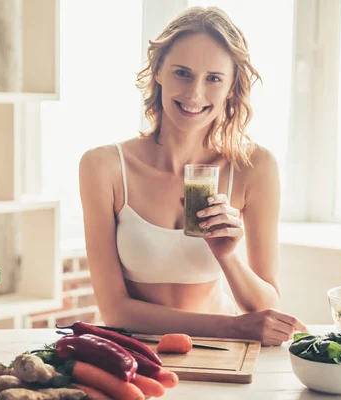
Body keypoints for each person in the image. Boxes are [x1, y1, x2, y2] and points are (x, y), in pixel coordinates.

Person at [78, 6, 307, 346]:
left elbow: (265, 308)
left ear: (231, 87)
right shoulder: (104, 167)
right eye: (183, 73)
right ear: (157, 71)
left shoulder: (254, 167)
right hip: (136, 351)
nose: (195, 94)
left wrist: (227, 255)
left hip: (224, 351)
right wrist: (231, 327)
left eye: (213, 78)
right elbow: (115, 311)